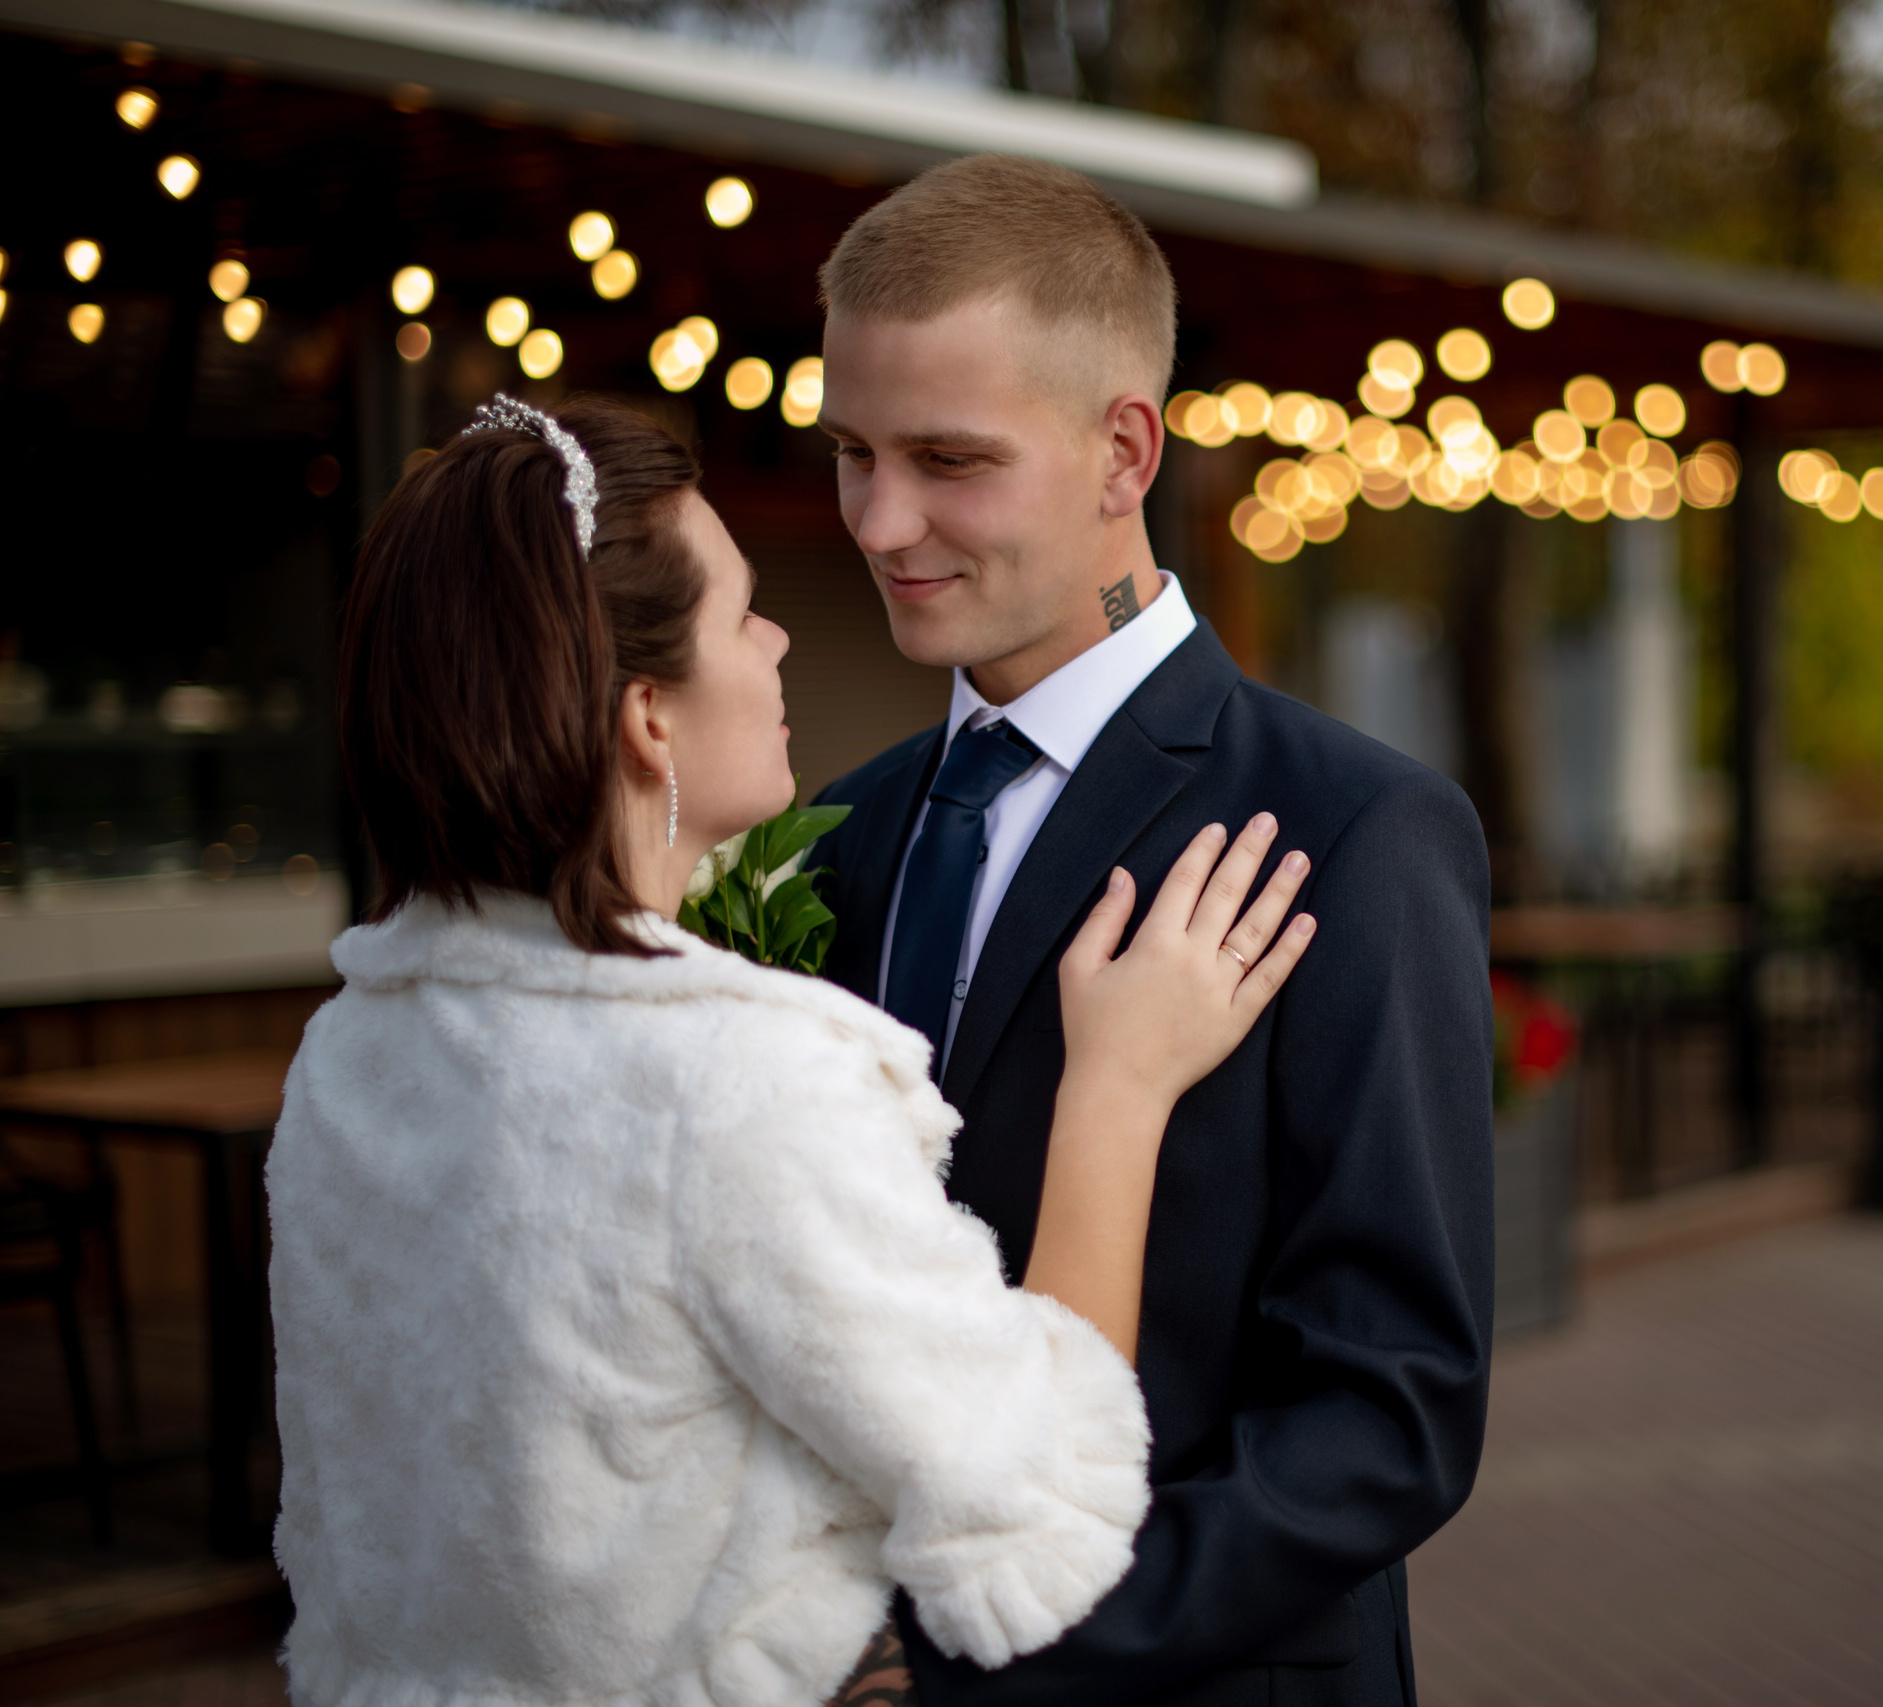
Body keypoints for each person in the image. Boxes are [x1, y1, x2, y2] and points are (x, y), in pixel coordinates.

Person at [267, 394, 1316, 1707]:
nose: (777, 644)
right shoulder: (731, 1078)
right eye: (741, 613)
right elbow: (1039, 1494)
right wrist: (1116, 1087)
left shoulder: (351, 1058)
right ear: (649, 717)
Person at [806, 155, 1496, 1707]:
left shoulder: (1353, 831)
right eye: (851, 451)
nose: (878, 517)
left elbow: (1391, 1412)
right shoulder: (839, 835)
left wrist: (1002, 1641)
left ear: (1125, 450)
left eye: (947, 459)